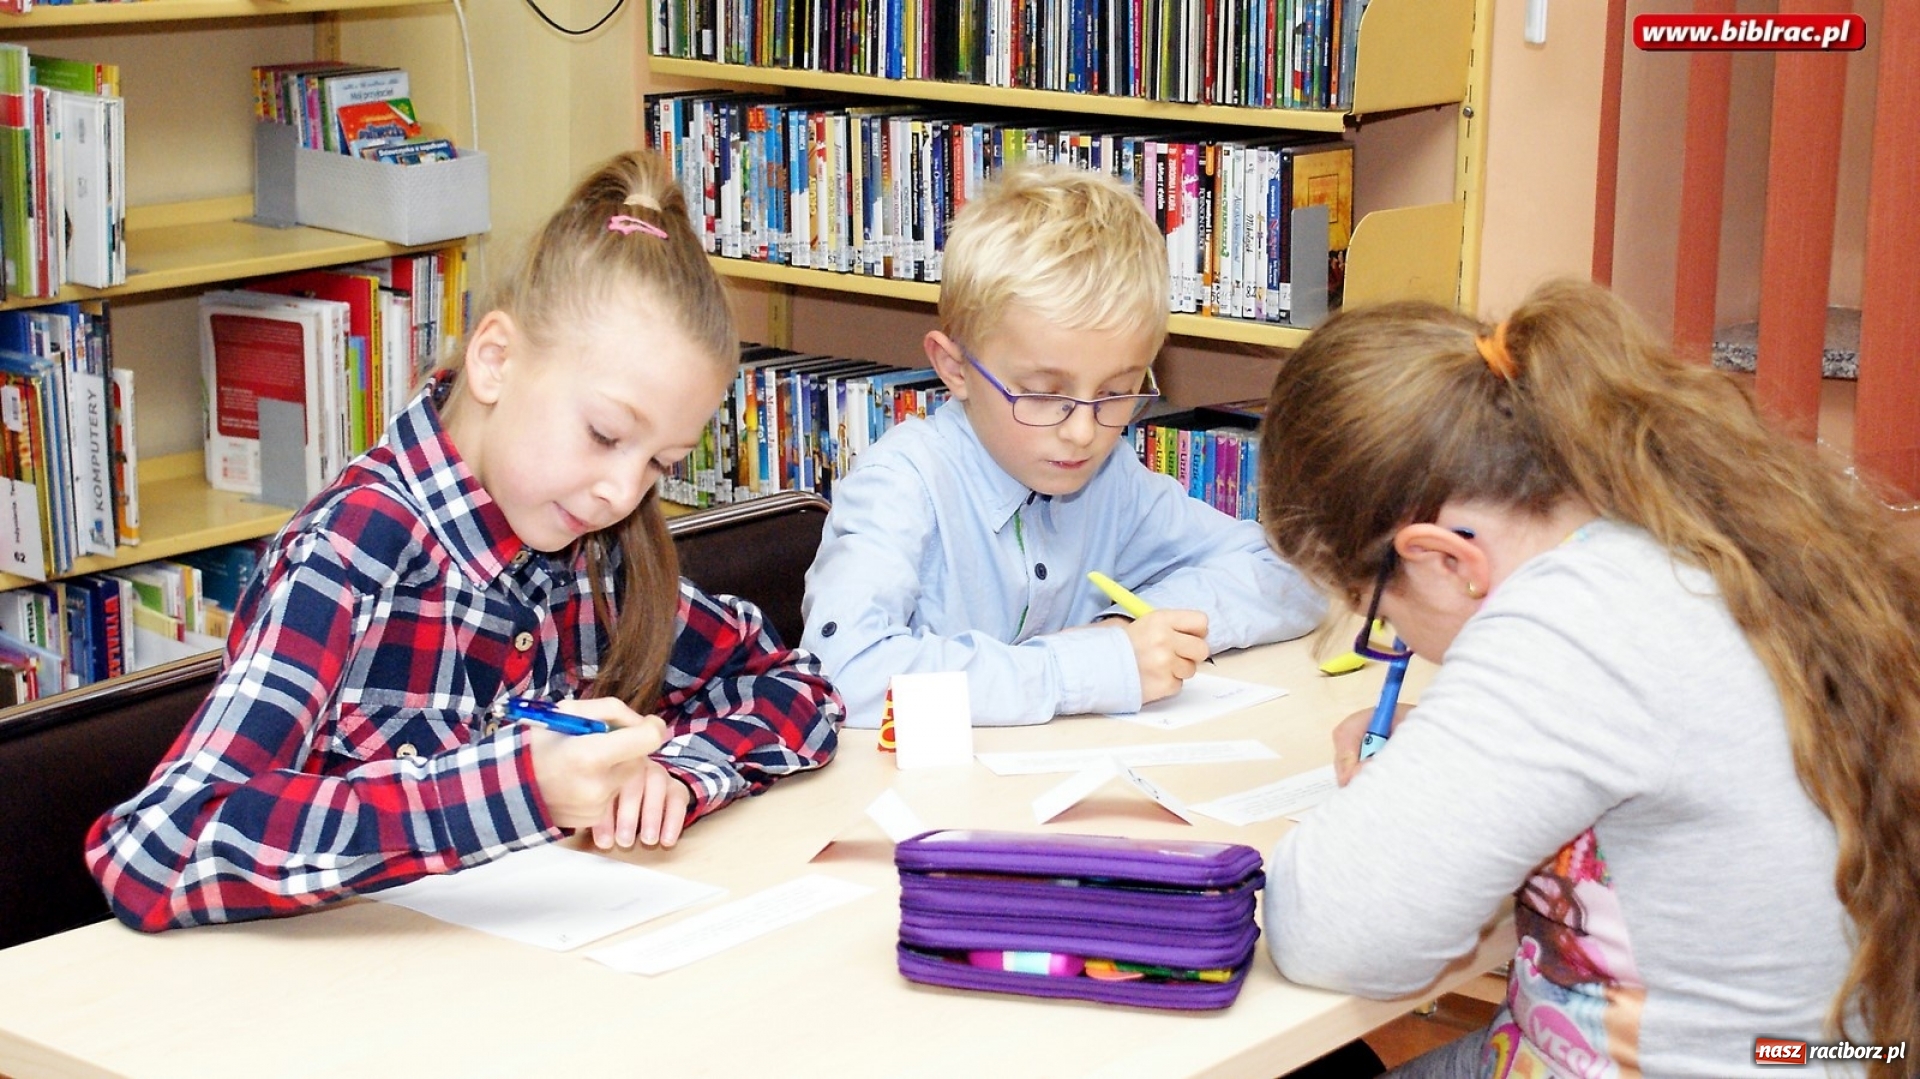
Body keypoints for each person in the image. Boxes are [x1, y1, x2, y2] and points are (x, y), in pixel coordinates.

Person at [86, 151, 843, 931]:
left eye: (659, 462)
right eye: (605, 433)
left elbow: (795, 687)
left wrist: (680, 775)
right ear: (494, 360)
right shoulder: (351, 551)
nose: (623, 491)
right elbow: (156, 848)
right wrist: (515, 790)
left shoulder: (594, 552)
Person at [1256, 278, 1918, 1078]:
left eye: (1379, 619)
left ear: (1445, 561)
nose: (1399, 648)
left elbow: (1337, 930)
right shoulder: (1699, 531)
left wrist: (1391, 788)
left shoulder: (1578, 621)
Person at [800, 164, 1325, 727]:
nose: (1083, 431)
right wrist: (1083, 670)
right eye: (1044, 394)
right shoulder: (902, 485)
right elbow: (838, 674)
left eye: (1117, 392)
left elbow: (1295, 569)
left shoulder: (1110, 479)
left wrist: (1131, 631)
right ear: (954, 368)